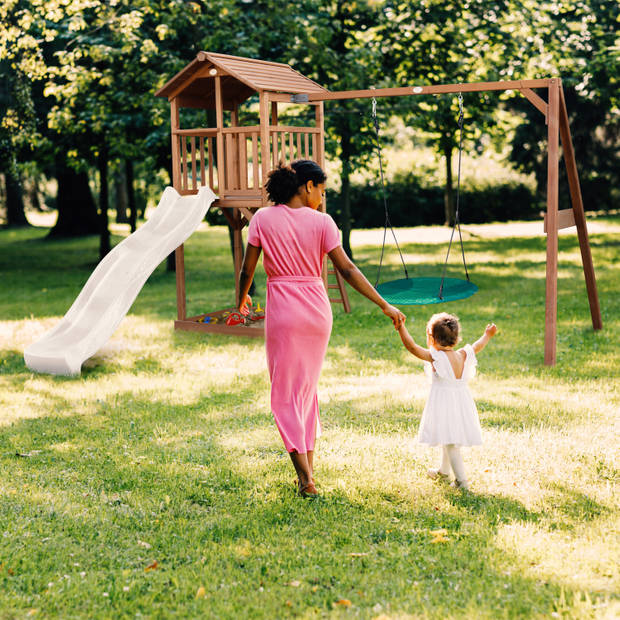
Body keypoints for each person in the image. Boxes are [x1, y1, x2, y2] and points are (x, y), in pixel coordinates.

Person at [238, 160, 405, 497]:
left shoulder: (262, 219)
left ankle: (305, 479)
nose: (323, 199)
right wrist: (383, 303)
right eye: (322, 191)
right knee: (305, 392)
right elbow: (346, 269)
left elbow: (247, 270)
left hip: (284, 311)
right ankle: (308, 472)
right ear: (308, 186)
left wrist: (240, 301)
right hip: (317, 312)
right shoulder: (324, 223)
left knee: (285, 395)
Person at [396, 312, 497, 490]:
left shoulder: (436, 357)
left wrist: (401, 327)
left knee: (451, 443)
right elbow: (477, 346)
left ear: (431, 338)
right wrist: (487, 335)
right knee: (447, 436)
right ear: (456, 339)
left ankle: (461, 481)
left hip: (445, 404)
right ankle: (443, 471)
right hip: (461, 403)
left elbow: (412, 347)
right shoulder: (463, 354)